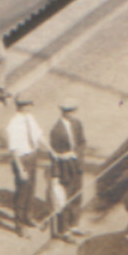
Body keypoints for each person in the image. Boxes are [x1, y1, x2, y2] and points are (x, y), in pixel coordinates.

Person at [5, 96, 46, 237]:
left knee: (31, 189)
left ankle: (28, 217)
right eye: (29, 105)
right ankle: (19, 225)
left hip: (32, 156)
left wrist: (51, 150)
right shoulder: (13, 124)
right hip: (22, 159)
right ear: (22, 106)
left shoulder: (30, 118)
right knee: (22, 193)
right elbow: (13, 150)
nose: (30, 107)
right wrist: (21, 169)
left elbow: (38, 135)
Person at [48, 101, 86, 242]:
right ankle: (64, 231)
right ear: (63, 112)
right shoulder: (56, 130)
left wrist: (78, 155)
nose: (72, 114)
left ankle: (74, 225)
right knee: (64, 199)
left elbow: (82, 142)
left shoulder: (77, 124)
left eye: (73, 110)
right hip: (64, 168)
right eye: (69, 111)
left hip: (77, 166)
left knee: (77, 196)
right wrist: (55, 175)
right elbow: (54, 155)